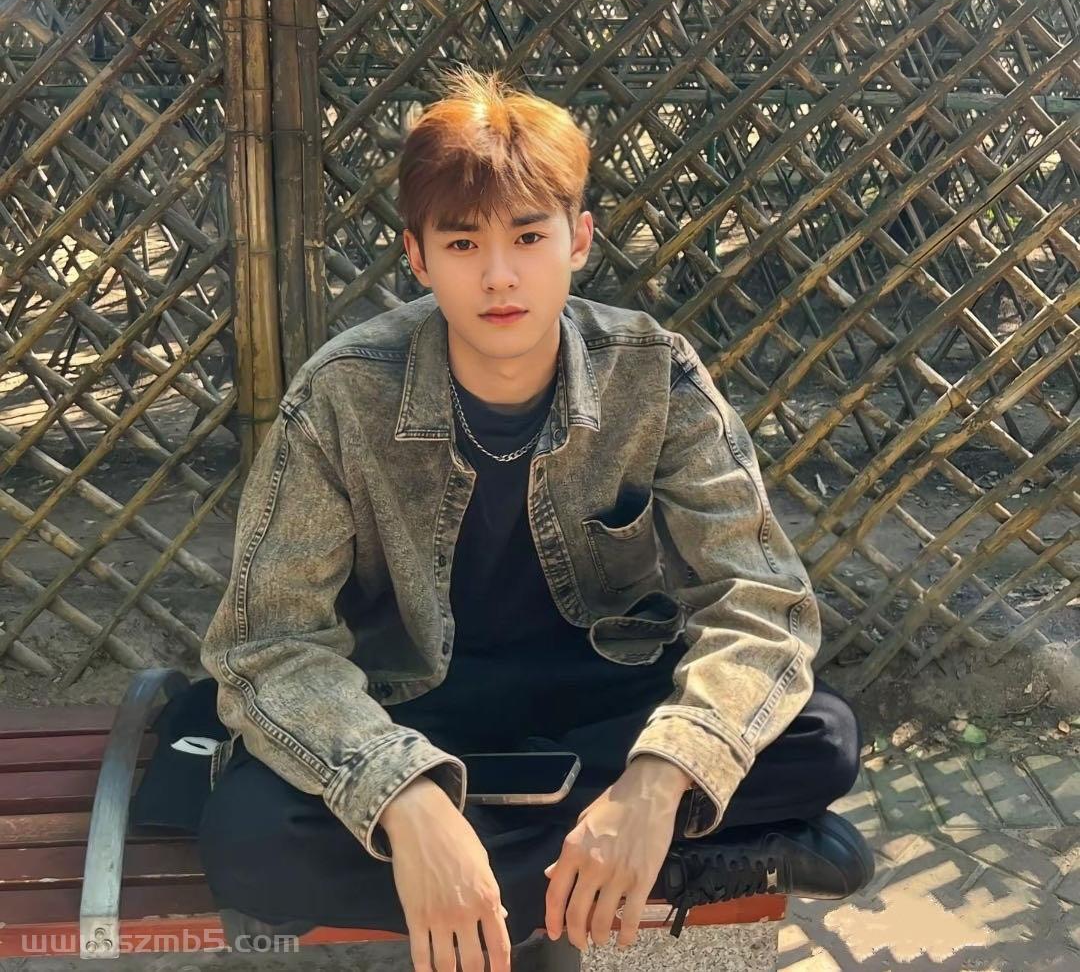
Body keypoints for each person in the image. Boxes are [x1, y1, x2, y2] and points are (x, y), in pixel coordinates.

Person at [194, 66, 874, 972]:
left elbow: (762, 605)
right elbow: (268, 645)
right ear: (418, 258)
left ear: (577, 238)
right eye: (463, 243)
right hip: (419, 708)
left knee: (823, 737)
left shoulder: (651, 372)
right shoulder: (343, 394)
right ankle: (665, 867)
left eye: (527, 236)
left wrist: (657, 778)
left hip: (602, 706)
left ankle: (585, 851)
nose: (499, 275)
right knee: (248, 839)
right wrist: (405, 796)